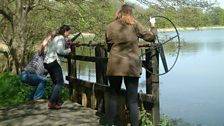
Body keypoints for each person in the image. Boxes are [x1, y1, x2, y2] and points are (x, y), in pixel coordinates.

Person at [105, 4, 157, 126]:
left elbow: (107, 47)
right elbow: (151, 37)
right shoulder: (134, 24)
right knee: (132, 100)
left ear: (119, 12)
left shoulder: (110, 26)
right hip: (131, 67)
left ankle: (109, 124)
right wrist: (153, 25)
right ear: (130, 13)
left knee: (113, 97)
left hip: (114, 66)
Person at [20, 32, 56, 103]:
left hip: (30, 76)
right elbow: (42, 45)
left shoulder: (48, 63)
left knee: (41, 82)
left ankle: (30, 98)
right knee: (43, 80)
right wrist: (49, 37)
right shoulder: (40, 55)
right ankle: (37, 98)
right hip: (26, 75)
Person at [44, 24, 71, 109]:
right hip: (53, 62)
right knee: (60, 82)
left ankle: (54, 100)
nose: (69, 33)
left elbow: (58, 47)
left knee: (55, 82)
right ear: (65, 31)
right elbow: (60, 51)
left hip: (47, 61)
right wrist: (68, 50)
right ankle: (52, 102)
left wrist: (69, 43)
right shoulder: (61, 38)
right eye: (69, 31)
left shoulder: (56, 38)